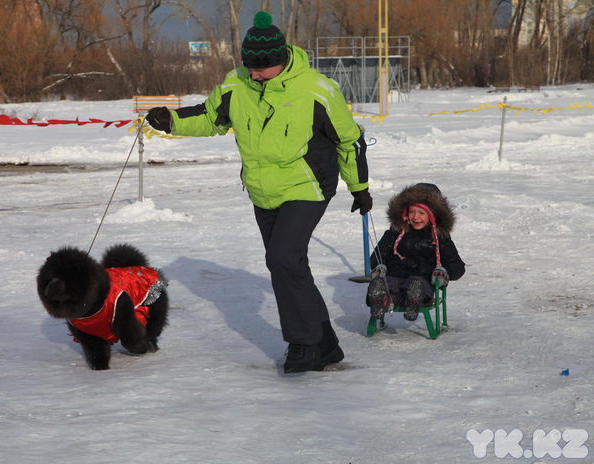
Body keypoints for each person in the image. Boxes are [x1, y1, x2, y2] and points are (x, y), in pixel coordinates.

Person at [145, 11, 372, 373]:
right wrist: (171, 120)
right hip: (262, 190)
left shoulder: (316, 89)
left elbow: (349, 140)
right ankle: (326, 344)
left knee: (282, 259)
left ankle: (302, 344)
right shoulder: (236, 85)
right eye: (248, 66)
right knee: (291, 266)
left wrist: (359, 188)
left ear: (281, 61)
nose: (253, 74)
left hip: (308, 185)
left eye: (260, 68)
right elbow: (209, 116)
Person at [366, 183, 465, 321]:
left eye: (421, 213)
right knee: (387, 284)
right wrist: (378, 266)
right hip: (395, 274)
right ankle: (381, 299)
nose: (415, 217)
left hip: (423, 277)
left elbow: (457, 265)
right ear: (405, 212)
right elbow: (378, 255)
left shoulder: (440, 237)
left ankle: (412, 300)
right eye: (412, 212)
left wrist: (444, 272)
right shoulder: (395, 232)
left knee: (416, 283)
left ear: (432, 215)